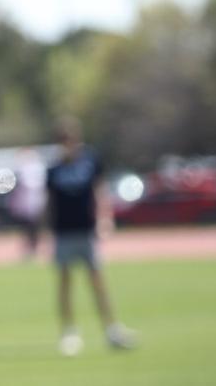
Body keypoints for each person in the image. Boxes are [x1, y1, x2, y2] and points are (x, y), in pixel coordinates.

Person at [45, 117, 135, 356]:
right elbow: (50, 202)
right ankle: (69, 332)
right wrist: (46, 231)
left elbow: (99, 190)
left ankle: (111, 329)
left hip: (86, 229)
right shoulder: (53, 169)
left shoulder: (90, 162)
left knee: (97, 281)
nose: (68, 144)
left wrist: (105, 218)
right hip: (64, 231)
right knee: (65, 282)